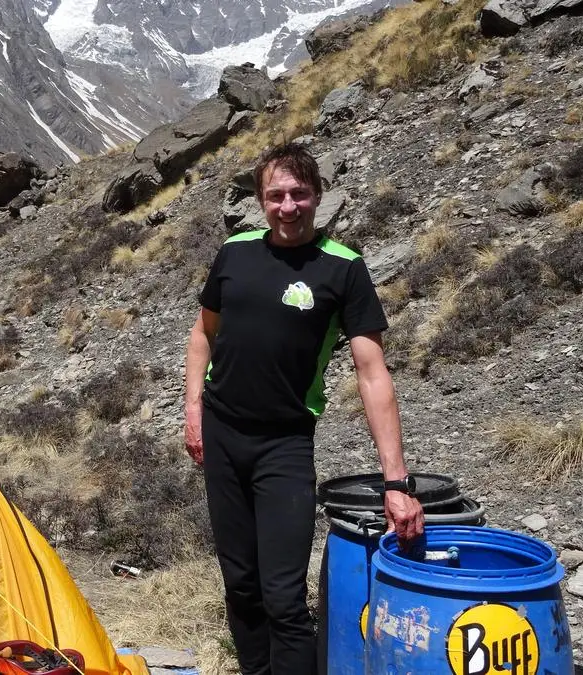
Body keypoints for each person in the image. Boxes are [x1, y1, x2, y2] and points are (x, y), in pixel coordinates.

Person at [183, 141, 425, 675]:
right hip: (223, 436)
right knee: (241, 585)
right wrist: (194, 410)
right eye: (276, 196)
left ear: (318, 197)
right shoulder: (235, 253)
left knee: (283, 595)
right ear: (259, 201)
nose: (288, 207)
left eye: (299, 194)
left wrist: (396, 482)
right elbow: (203, 334)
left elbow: (372, 373)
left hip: (285, 444)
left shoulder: (343, 269)